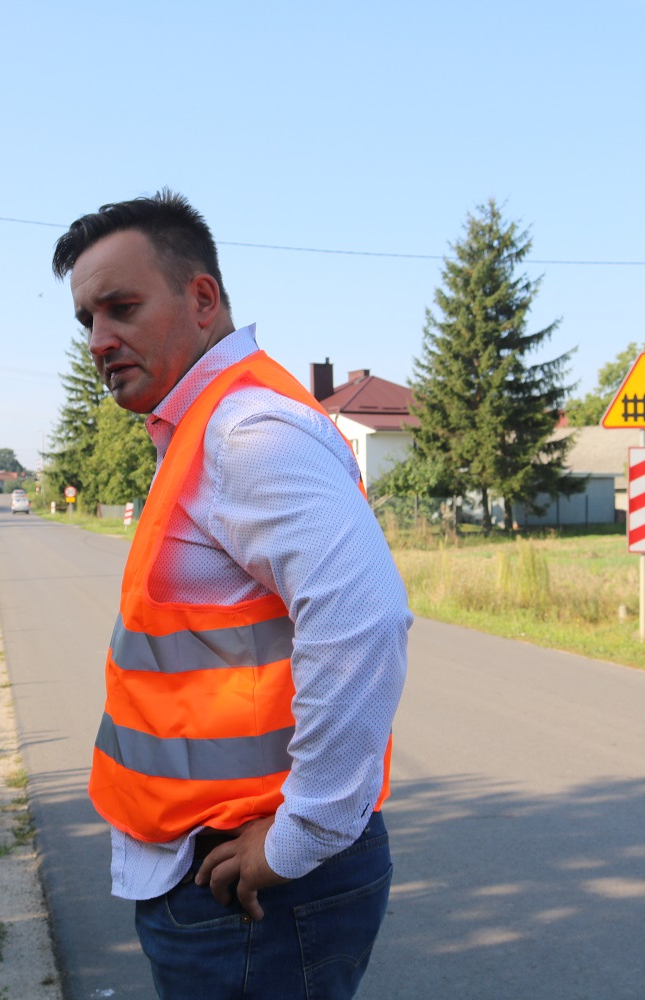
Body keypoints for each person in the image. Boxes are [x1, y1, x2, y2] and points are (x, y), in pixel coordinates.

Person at [52, 191, 411, 1000]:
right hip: (221, 877)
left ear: (203, 299)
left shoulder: (244, 433)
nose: (99, 340)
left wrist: (301, 835)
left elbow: (365, 619)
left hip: (256, 889)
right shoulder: (203, 426)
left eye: (121, 307)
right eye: (87, 320)